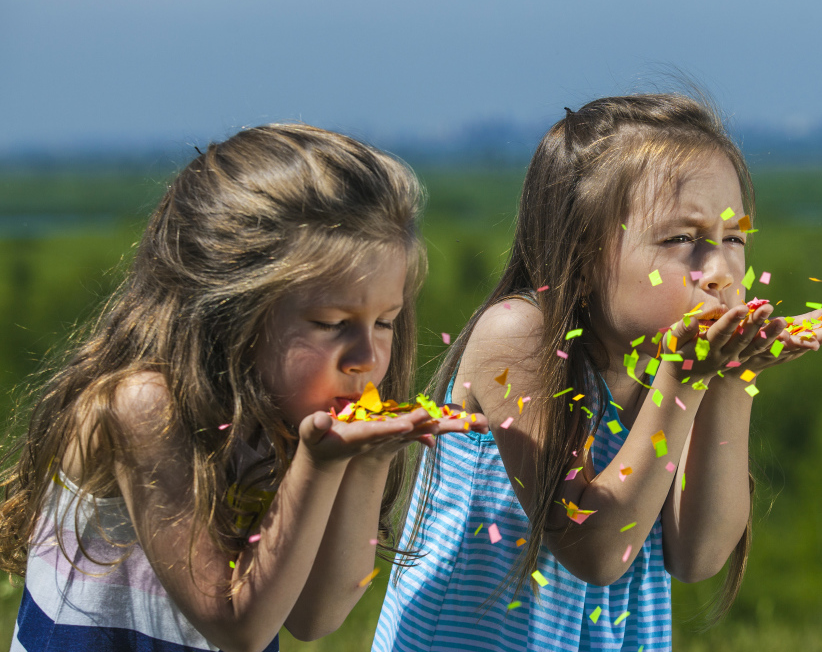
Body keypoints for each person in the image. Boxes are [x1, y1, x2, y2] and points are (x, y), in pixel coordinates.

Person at [374, 94, 822, 651]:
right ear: (580, 260)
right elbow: (598, 552)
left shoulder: (673, 367)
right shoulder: (518, 336)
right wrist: (685, 378)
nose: (720, 273)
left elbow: (698, 555)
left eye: (735, 239)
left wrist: (731, 377)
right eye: (682, 240)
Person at [0, 124, 486, 652]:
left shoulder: (280, 412)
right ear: (231, 308)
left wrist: (367, 462)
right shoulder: (145, 407)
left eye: (385, 322)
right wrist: (318, 465)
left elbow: (315, 617)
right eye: (330, 323)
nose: (368, 358)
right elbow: (240, 627)